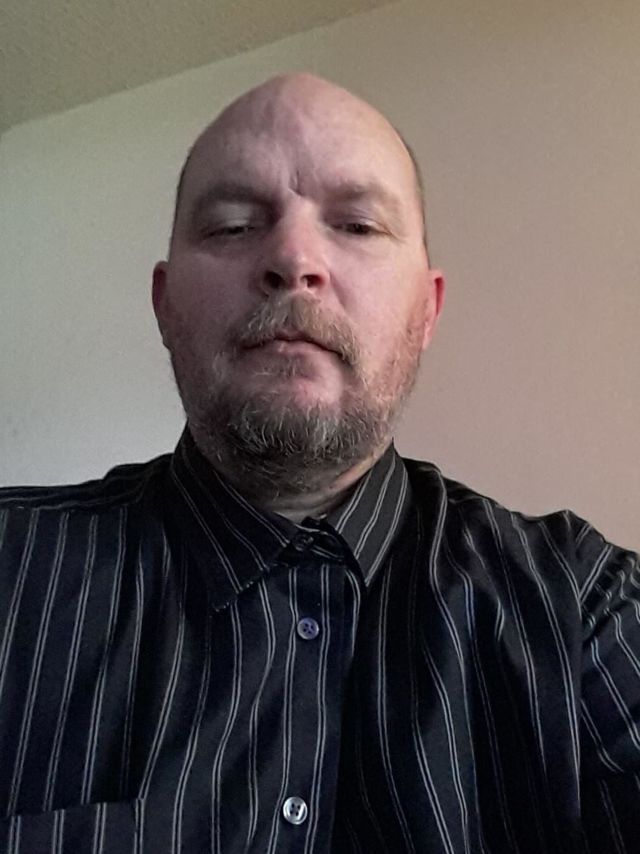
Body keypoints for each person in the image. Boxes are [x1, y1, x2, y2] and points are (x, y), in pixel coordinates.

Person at [0, 73, 638, 854]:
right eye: (233, 226)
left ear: (427, 310)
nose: (293, 257)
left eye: (358, 225)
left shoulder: (585, 604)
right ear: (165, 306)